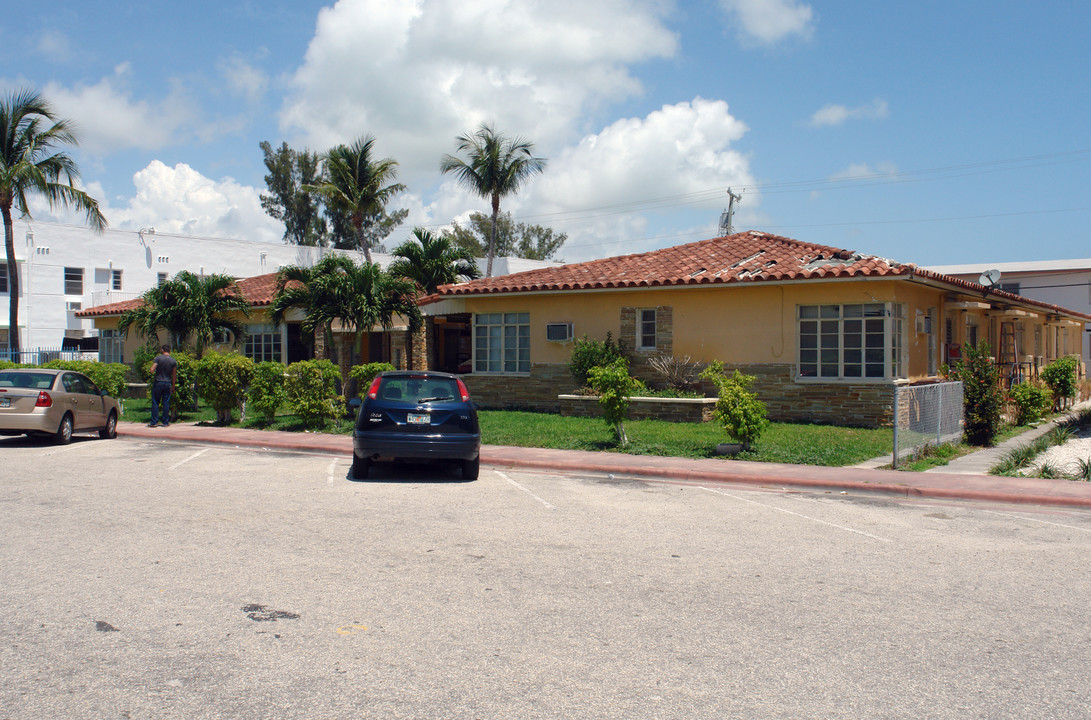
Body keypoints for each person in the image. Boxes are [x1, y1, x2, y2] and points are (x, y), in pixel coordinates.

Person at [149, 344, 178, 427]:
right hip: (167, 383)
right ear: (169, 351)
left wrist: (152, 368)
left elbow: (152, 370)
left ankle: (154, 422)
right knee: (166, 402)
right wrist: (173, 386)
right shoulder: (173, 361)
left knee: (155, 402)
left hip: (158, 382)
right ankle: (165, 422)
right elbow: (174, 375)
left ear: (162, 350)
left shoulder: (158, 358)